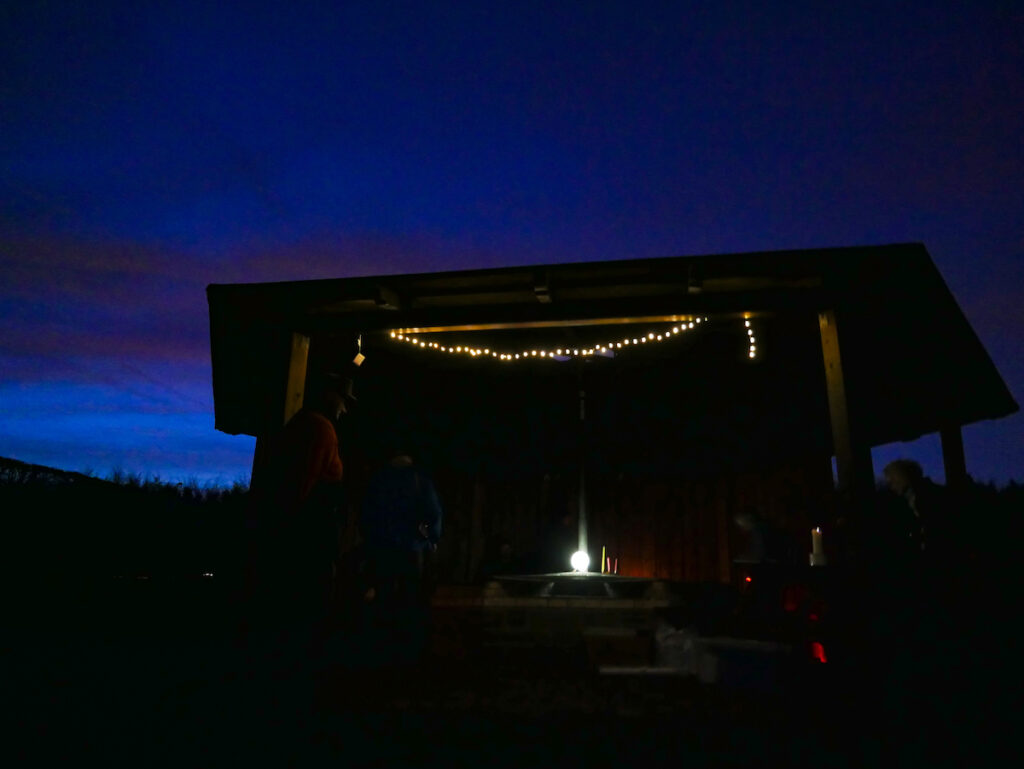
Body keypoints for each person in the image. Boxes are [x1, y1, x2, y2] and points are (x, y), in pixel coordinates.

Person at [246, 374, 355, 671]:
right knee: (311, 593)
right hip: (312, 530)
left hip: (304, 527)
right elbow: (304, 482)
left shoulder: (301, 425)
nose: (344, 410)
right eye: (343, 402)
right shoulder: (321, 429)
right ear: (331, 398)